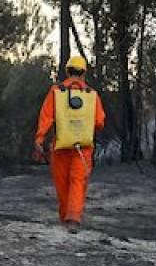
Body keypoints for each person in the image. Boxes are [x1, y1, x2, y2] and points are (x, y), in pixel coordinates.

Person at [34, 55, 106, 225]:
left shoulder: (56, 91)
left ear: (67, 71)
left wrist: (39, 139)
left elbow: (46, 117)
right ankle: (73, 217)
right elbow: (100, 122)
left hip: (60, 145)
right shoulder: (92, 94)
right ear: (84, 73)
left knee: (62, 183)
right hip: (83, 147)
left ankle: (64, 217)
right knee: (77, 181)